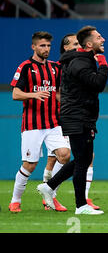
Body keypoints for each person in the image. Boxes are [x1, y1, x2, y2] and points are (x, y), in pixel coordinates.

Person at [37, 25, 108, 215]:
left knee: (83, 158)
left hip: (82, 116)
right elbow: (98, 84)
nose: (103, 40)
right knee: (83, 161)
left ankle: (49, 186)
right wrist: (103, 65)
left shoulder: (82, 60)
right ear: (89, 43)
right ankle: (80, 205)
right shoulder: (80, 62)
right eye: (99, 37)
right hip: (77, 116)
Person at [9, 31, 71, 213]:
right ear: (34, 47)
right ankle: (15, 200)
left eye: (48, 46)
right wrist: (33, 94)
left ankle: (50, 194)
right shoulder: (26, 67)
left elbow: (57, 93)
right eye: (42, 45)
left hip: (53, 123)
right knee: (30, 165)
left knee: (65, 155)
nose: (46, 49)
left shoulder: (55, 68)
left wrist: (68, 102)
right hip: (32, 124)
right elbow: (15, 94)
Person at [40, 33, 80, 211]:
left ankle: (49, 194)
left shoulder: (76, 65)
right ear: (66, 47)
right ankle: (48, 193)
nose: (79, 46)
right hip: (57, 119)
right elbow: (56, 93)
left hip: (63, 118)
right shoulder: (59, 67)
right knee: (59, 157)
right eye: (75, 44)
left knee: (58, 157)